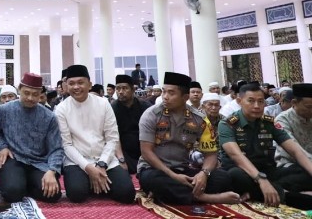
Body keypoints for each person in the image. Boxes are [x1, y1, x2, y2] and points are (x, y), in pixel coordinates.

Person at [137, 72, 237, 205]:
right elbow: (146, 152)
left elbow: (211, 154)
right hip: (154, 169)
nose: (165, 97)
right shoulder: (151, 115)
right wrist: (174, 176)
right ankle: (205, 198)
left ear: (185, 97)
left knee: (223, 177)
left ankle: (172, 195)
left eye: (171, 93)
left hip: (183, 169)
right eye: (164, 92)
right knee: (155, 181)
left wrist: (203, 174)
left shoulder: (199, 119)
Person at [219, 83, 312, 208]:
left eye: (261, 101)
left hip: (268, 170)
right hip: (243, 171)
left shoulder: (268, 122)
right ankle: (286, 196)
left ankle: (264, 192)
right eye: (251, 101)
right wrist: (261, 180)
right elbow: (236, 156)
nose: (257, 106)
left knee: (303, 170)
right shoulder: (227, 124)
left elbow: (295, 151)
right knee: (235, 176)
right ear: (240, 101)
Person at [55, 65, 134, 204]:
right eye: (72, 83)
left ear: (89, 84)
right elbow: (66, 145)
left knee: (127, 194)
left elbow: (112, 138)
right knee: (77, 194)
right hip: (76, 161)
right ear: (66, 86)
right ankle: (95, 184)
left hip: (105, 159)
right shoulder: (61, 109)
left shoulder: (103, 104)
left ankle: (96, 183)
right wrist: (88, 168)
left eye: (80, 82)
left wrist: (101, 164)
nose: (76, 87)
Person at [0, 72, 63, 203]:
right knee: (12, 193)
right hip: (13, 158)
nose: (30, 98)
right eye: (26, 93)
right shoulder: (5, 110)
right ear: (19, 89)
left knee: (53, 194)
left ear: (41, 94)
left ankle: (25, 185)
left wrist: (52, 171)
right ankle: (19, 184)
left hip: (38, 163)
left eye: (35, 94)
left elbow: (56, 148)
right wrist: (2, 147)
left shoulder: (49, 117)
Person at [275, 83, 312, 193]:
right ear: (294, 103)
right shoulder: (282, 120)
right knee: (302, 177)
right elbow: (296, 151)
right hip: (291, 166)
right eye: (309, 107)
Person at [111, 74, 150, 174]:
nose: (120, 92)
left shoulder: (145, 106)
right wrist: (121, 158)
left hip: (144, 148)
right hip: (123, 151)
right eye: (118, 88)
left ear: (133, 90)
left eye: (124, 88)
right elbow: (113, 135)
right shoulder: (112, 108)